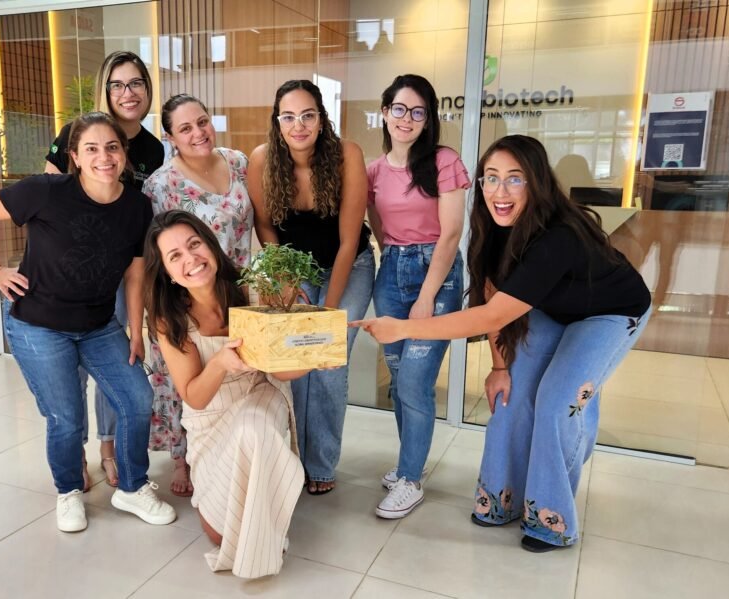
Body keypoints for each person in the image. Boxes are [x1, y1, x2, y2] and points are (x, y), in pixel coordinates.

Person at [354, 134, 652, 551]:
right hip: (553, 308)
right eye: (491, 178)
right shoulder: (493, 228)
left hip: (610, 312)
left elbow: (491, 317)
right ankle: (501, 501)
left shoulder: (558, 236)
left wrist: (404, 328)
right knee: (511, 394)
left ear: (536, 183)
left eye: (515, 179)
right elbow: (492, 295)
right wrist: (498, 368)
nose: (500, 191)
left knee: (556, 403)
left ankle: (550, 520)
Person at [0, 111, 176, 532]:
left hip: (99, 325)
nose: (104, 157)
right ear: (76, 157)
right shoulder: (46, 191)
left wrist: (135, 330)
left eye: (112, 147)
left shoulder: (137, 206)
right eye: (92, 149)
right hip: (38, 325)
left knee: (137, 398)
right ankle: (68, 491)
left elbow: (135, 273)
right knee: (65, 416)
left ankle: (132, 486)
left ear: (124, 154)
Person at [145, 210, 305, 578]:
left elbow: (281, 371)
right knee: (219, 534)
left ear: (211, 244)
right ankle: (265, 511)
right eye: (175, 256)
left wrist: (313, 360)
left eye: (194, 244)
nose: (191, 259)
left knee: (253, 426)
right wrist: (219, 362)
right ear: (167, 272)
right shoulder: (170, 318)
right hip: (210, 418)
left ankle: (263, 540)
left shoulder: (253, 290)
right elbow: (195, 398)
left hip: (262, 395)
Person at [43, 51, 165, 489]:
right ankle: (73, 451)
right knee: (71, 368)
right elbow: (48, 199)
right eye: (117, 84)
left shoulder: (153, 149)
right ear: (105, 90)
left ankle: (109, 447)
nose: (127, 93)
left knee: (119, 363)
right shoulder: (76, 133)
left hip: (122, 271)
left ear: (147, 89)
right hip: (74, 273)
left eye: (136, 83)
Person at [248, 79, 375, 496]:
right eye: (288, 117)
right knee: (296, 366)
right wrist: (284, 277)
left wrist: (326, 315)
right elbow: (265, 226)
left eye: (307, 115)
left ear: (322, 119)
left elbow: (349, 240)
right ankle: (294, 459)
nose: (298, 125)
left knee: (328, 363)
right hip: (296, 269)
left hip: (349, 265)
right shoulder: (262, 159)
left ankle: (320, 463)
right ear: (277, 122)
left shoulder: (346, 155)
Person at [365, 74, 469, 519]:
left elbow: (452, 234)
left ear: (428, 120)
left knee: (414, 381)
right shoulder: (373, 171)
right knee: (398, 378)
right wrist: (393, 259)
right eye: (399, 109)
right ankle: (411, 460)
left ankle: (410, 479)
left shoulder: (444, 161)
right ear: (385, 112)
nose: (407, 119)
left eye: (418, 112)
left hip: (436, 274)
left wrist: (427, 296)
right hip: (391, 271)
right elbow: (376, 224)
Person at [142, 94, 254, 496]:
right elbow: (160, 248)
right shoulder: (161, 184)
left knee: (236, 370)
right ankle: (183, 458)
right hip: (187, 292)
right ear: (170, 137)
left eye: (202, 122)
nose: (198, 133)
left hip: (234, 289)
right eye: (185, 128)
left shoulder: (238, 162)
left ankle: (238, 445)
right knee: (184, 377)